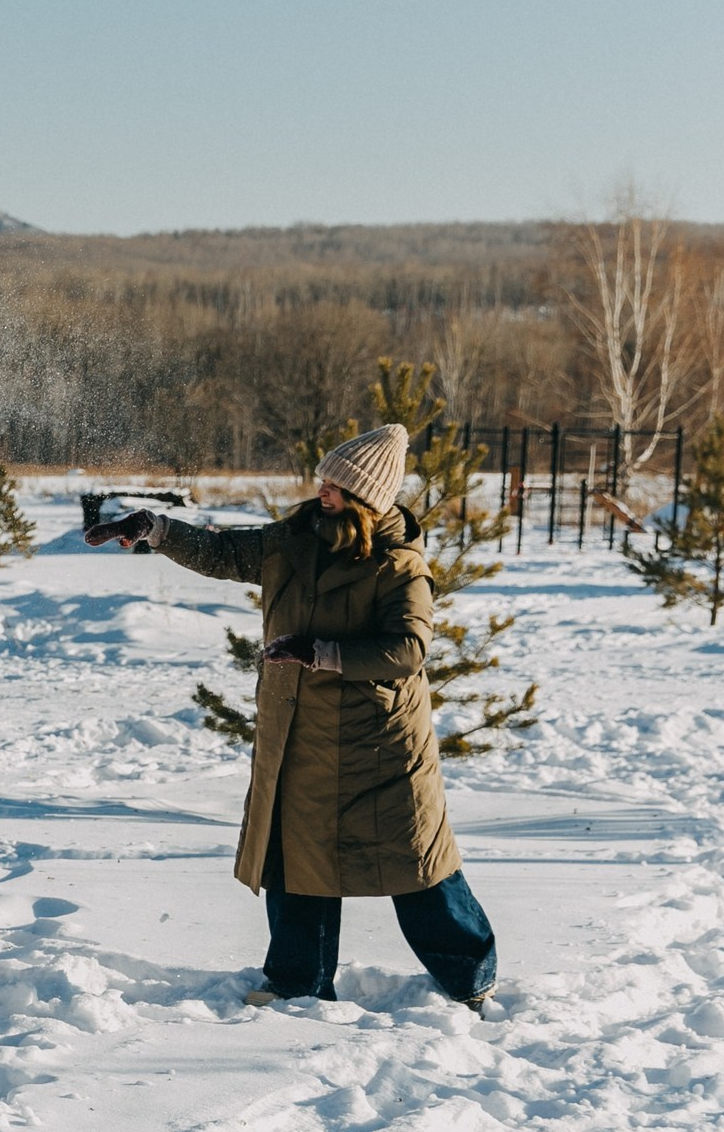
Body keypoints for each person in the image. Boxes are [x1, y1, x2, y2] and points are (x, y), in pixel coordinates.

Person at [87, 425, 499, 1010]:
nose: (321, 489)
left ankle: (471, 978)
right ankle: (296, 982)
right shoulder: (295, 538)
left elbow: (409, 649)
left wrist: (320, 653)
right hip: (301, 734)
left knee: (415, 862)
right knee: (295, 858)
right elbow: (226, 553)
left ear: (365, 498)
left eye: (336, 485)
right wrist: (156, 529)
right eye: (324, 479)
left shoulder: (398, 565)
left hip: (378, 744)